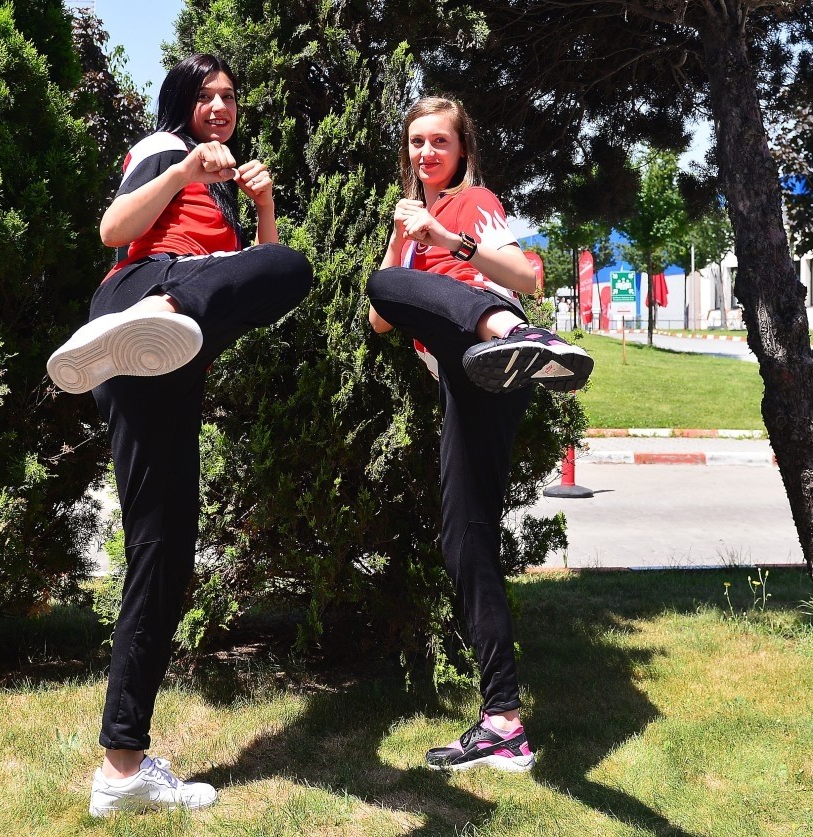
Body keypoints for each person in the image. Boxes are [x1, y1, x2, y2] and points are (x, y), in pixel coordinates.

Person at [47, 54, 313, 815]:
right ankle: (160, 313)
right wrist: (187, 168)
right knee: (286, 269)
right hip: (137, 304)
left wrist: (258, 207)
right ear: (182, 106)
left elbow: (251, 274)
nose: (222, 106)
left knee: (163, 555)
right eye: (207, 96)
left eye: (230, 96)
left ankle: (121, 770)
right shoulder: (163, 151)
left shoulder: (221, 198)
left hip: (166, 356)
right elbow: (113, 229)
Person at [365, 97, 592, 773]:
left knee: (418, 291)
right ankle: (504, 724)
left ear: (462, 150)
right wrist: (405, 234)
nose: (427, 152)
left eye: (439, 141)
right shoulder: (416, 222)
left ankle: (515, 335)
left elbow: (528, 275)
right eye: (415, 143)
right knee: (464, 543)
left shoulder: (474, 202)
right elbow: (380, 318)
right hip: (465, 380)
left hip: (496, 357)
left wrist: (446, 241)